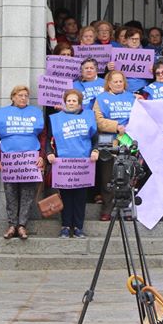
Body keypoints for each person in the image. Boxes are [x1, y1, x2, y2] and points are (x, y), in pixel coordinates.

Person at [0, 85, 45, 240]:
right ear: (12, 97)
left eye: (26, 95)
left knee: (27, 195)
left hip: (30, 162)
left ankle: (22, 226)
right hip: (10, 162)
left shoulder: (35, 113)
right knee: (11, 195)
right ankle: (12, 225)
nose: (23, 98)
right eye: (20, 95)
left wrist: (42, 156)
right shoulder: (2, 114)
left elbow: (43, 137)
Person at [49, 89, 99, 238]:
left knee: (80, 197)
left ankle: (78, 227)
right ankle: (65, 226)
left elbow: (95, 138)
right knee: (65, 196)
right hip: (63, 163)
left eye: (74, 101)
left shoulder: (89, 116)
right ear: (65, 102)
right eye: (69, 100)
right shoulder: (56, 118)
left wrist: (95, 150)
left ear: (79, 103)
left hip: (83, 163)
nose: (71, 103)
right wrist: (49, 153)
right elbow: (49, 140)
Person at [93, 70, 139, 220]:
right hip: (108, 140)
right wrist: (116, 126)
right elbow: (98, 120)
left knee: (127, 174)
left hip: (128, 140)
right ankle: (107, 209)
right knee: (108, 176)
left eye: (121, 81)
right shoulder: (100, 99)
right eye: (115, 81)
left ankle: (126, 209)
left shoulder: (133, 98)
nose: (118, 84)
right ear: (109, 84)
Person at [108, 27, 150, 93]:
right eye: (131, 39)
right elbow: (110, 75)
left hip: (143, 90)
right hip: (122, 90)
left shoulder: (148, 55)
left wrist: (153, 70)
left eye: (137, 39)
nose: (134, 41)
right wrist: (108, 68)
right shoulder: (117, 54)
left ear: (140, 40)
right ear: (126, 40)